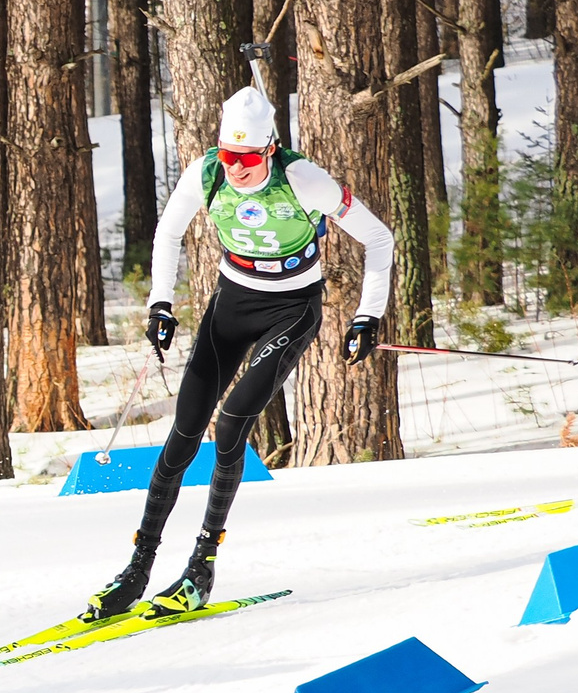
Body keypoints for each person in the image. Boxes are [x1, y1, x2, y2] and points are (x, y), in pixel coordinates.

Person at [88, 83, 395, 618]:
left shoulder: (304, 180)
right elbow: (167, 233)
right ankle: (137, 568)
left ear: (269, 150)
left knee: (231, 425)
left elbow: (379, 238)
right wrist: (160, 304)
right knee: (184, 432)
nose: (236, 169)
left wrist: (368, 313)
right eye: (230, 156)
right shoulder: (206, 172)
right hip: (232, 301)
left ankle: (201, 566)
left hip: (292, 306)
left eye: (248, 159)